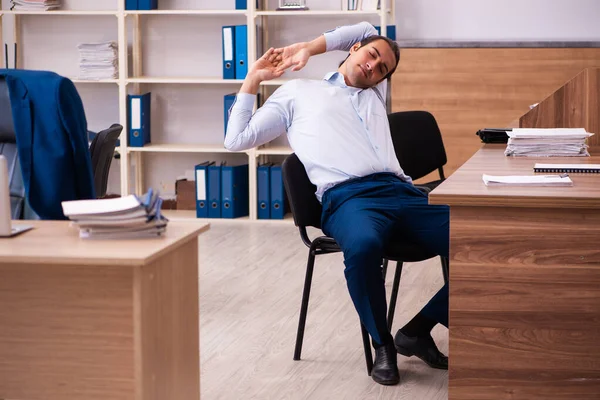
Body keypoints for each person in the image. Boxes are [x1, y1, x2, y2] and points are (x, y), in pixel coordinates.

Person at [225, 21, 449, 386]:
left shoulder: (376, 92)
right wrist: (253, 78)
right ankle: (384, 345)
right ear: (354, 48)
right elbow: (236, 140)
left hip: (403, 193)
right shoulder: (297, 92)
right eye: (371, 55)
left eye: (383, 69)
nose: (374, 67)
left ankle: (419, 329)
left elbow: (368, 28)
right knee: (363, 247)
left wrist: (310, 47)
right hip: (349, 199)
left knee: (482, 240)